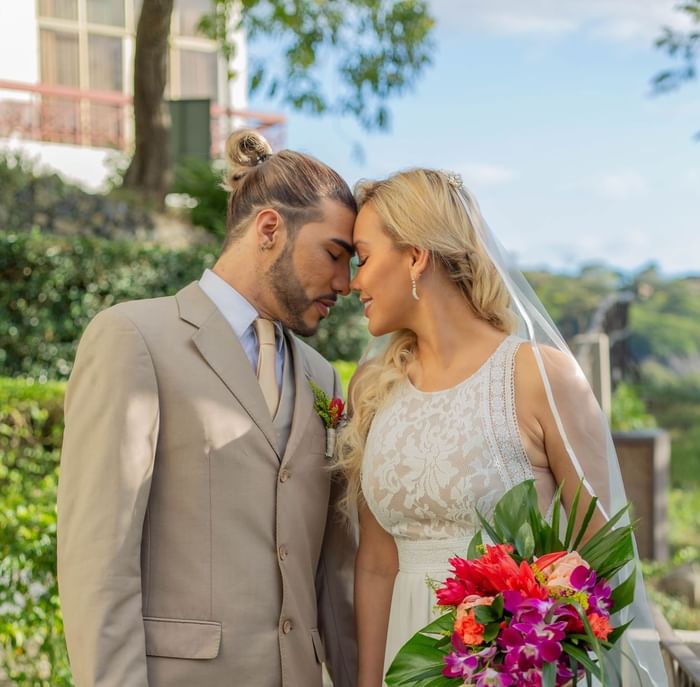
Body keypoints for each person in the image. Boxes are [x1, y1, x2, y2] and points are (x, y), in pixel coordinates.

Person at [336, 168, 667, 687]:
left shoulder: (540, 377)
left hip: (517, 669)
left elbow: (603, 559)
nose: (354, 280)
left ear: (416, 256)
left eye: (365, 257)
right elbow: (377, 563)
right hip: (406, 659)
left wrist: (529, 660)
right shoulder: (374, 390)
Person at [57, 130, 358, 687]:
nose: (344, 282)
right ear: (270, 228)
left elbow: (332, 575)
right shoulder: (133, 338)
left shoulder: (322, 376)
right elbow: (98, 561)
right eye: (334, 254)